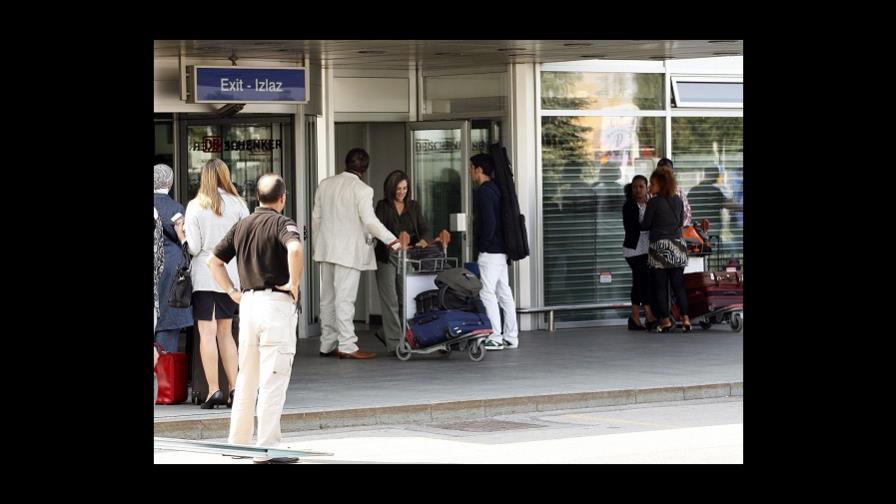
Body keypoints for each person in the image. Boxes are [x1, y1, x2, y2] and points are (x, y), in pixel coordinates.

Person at [208, 173, 303, 464]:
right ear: (282, 198)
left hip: (248, 304)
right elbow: (296, 249)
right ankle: (267, 447)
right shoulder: (282, 223)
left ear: (257, 198)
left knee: (247, 377)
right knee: (273, 376)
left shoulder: (243, 225)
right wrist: (294, 285)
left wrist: (231, 291)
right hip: (276, 304)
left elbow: (214, 261)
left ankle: (237, 443)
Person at [313, 148, 401, 359]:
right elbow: (370, 221)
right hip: (348, 252)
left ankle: (327, 344)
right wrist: (392, 240)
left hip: (326, 249)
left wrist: (318, 245)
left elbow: (316, 218)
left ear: (346, 163)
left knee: (327, 299)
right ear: (365, 168)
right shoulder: (362, 189)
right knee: (344, 300)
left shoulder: (325, 184)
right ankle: (347, 345)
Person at [184, 159, 249, 408]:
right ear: (225, 176)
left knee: (207, 334)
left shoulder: (196, 206)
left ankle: (213, 390)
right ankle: (235, 388)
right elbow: (243, 241)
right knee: (227, 333)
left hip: (204, 274)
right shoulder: (239, 204)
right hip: (229, 275)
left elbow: (195, 247)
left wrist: (181, 234)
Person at [373, 170, 430, 353]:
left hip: (407, 256)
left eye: (405, 188)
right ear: (391, 189)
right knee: (390, 299)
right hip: (387, 256)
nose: (401, 192)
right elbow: (378, 229)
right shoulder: (383, 206)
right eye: (398, 189)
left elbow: (424, 228)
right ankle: (395, 344)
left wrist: (423, 240)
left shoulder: (413, 206)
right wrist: (392, 243)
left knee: (405, 298)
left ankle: (396, 334)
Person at [469, 153, 519, 350]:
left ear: (479, 170)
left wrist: (482, 246)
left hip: (490, 252)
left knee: (487, 292)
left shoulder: (484, 191)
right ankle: (511, 336)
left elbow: (488, 223)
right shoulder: (498, 189)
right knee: (504, 292)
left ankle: (495, 336)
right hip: (502, 250)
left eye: (471, 168)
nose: (469, 171)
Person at [641, 168, 691, 333]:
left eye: (652, 184)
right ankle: (685, 319)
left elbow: (646, 225)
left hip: (660, 248)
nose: (649, 188)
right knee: (678, 286)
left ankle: (665, 321)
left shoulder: (653, 202)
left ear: (661, 184)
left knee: (660, 287)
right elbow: (682, 221)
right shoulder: (677, 199)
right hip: (678, 246)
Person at [153, 164, 194, 355]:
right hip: (169, 270)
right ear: (170, 183)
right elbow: (186, 241)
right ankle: (163, 375)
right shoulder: (175, 209)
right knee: (168, 324)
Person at [622, 175, 656, 330]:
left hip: (647, 249)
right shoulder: (629, 205)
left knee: (638, 282)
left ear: (647, 187)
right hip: (634, 250)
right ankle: (648, 315)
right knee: (644, 280)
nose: (637, 190)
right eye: (635, 187)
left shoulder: (650, 203)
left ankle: (634, 317)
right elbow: (633, 228)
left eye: (641, 187)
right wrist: (649, 225)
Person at [656, 158, 692, 229]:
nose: (664, 175)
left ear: (672, 173)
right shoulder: (652, 191)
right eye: (661, 172)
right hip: (658, 234)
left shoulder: (678, 191)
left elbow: (687, 215)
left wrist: (677, 228)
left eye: (667, 172)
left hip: (676, 234)